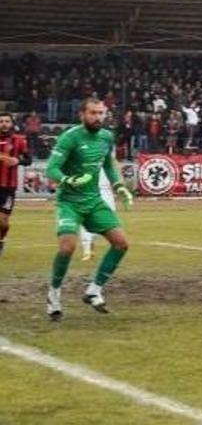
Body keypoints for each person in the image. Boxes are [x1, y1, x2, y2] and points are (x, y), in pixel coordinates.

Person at [45, 97, 134, 320]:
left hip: (94, 201)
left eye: (101, 113)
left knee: (121, 244)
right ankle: (54, 294)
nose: (98, 117)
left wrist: (119, 186)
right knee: (67, 248)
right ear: (82, 115)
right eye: (93, 113)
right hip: (70, 202)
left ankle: (94, 290)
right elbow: (51, 169)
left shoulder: (106, 137)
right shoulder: (70, 138)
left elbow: (107, 164)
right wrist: (68, 180)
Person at [0, 111, 32, 256]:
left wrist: (17, 160)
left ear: (11, 123)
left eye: (7, 121)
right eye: (1, 121)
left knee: (3, 222)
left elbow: (28, 159)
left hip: (8, 187)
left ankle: (1, 239)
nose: (4, 124)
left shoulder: (19, 140)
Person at [80, 170, 117, 262]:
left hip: (106, 190)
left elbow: (112, 166)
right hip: (89, 189)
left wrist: (117, 184)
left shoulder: (106, 156)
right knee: (86, 218)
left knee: (109, 219)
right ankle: (87, 250)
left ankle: (115, 245)